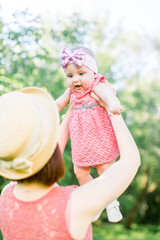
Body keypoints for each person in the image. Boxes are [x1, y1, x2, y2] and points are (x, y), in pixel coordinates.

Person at [0, 87, 140, 240]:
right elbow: (131, 160)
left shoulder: (6, 196)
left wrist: (69, 114)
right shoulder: (75, 204)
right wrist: (111, 110)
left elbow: (46, 154)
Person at [56, 46, 123, 222]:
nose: (75, 80)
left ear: (93, 72)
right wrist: (44, 108)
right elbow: (58, 104)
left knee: (105, 170)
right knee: (80, 172)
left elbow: (108, 94)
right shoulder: (71, 93)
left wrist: (113, 102)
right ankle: (96, 200)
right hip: (81, 141)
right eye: (70, 76)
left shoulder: (97, 86)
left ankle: (112, 203)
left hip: (100, 138)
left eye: (81, 73)